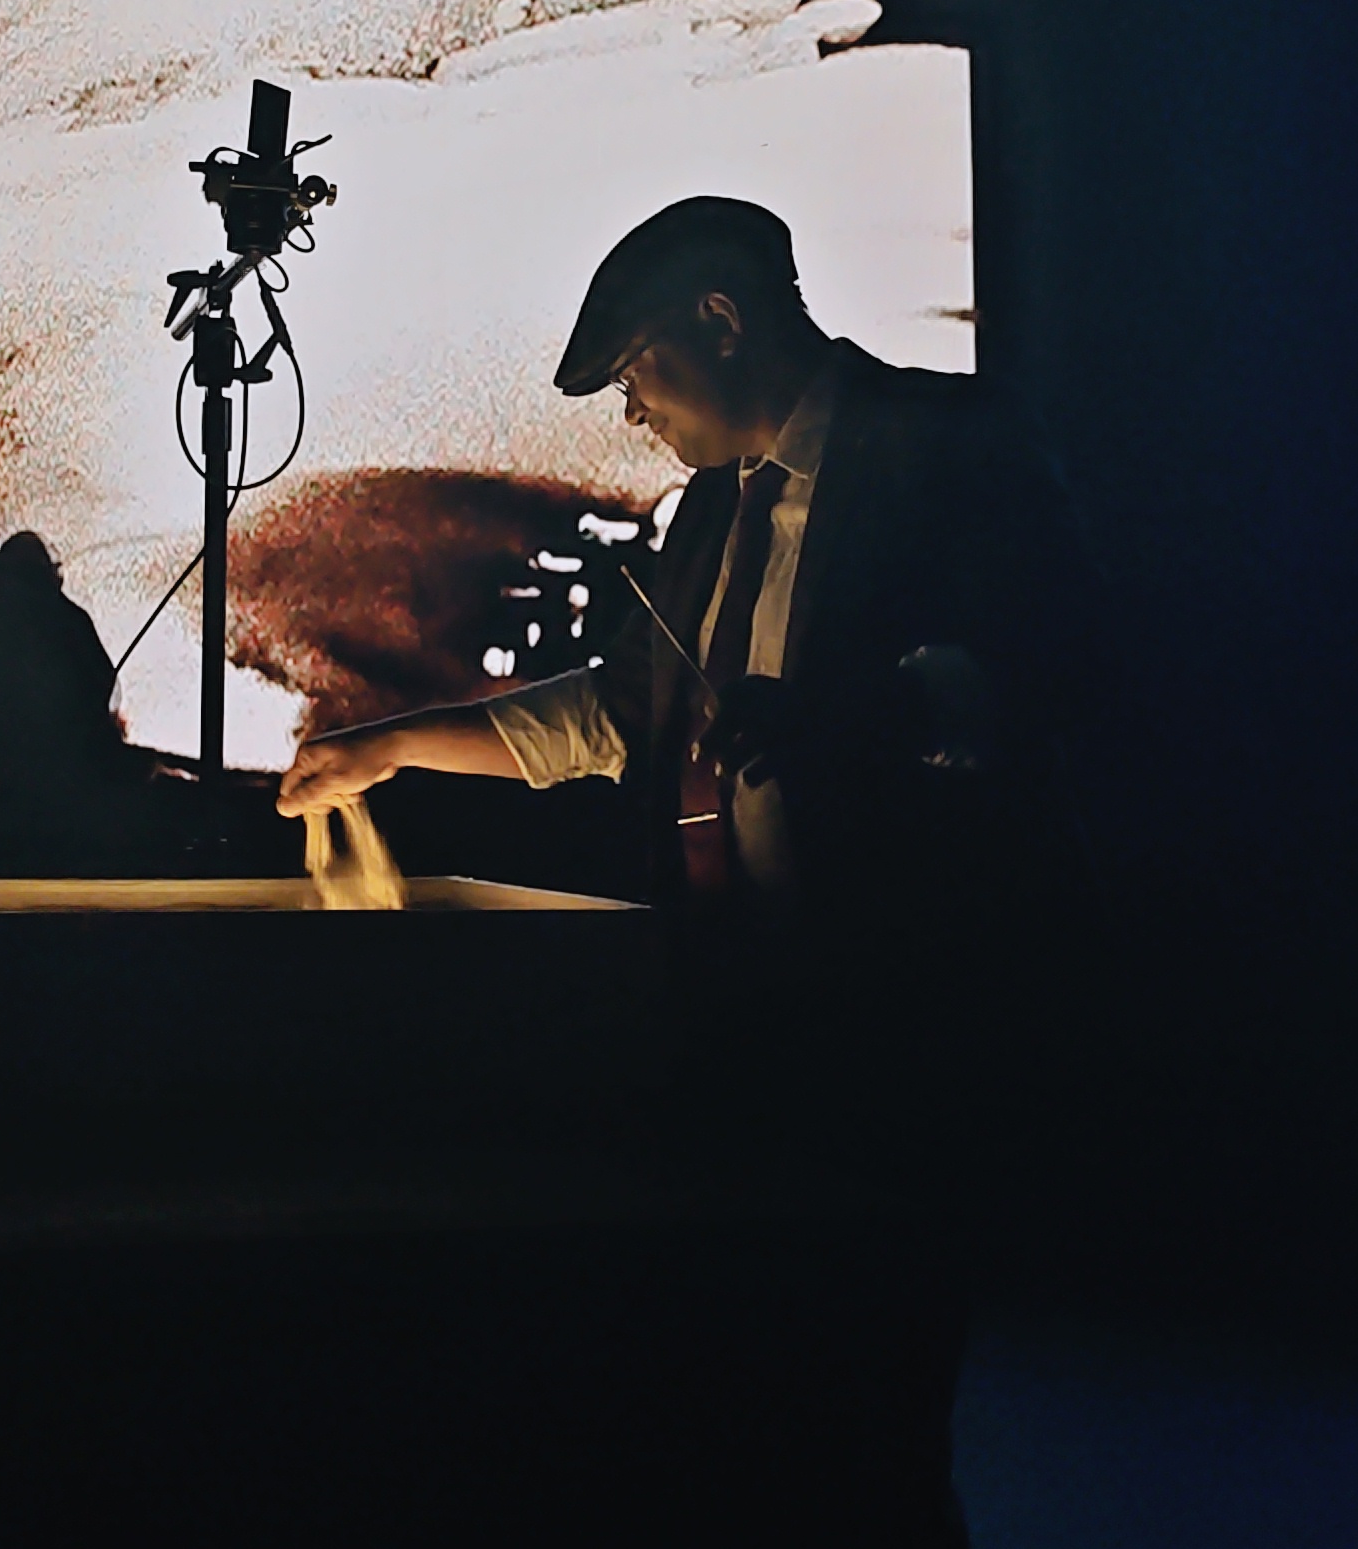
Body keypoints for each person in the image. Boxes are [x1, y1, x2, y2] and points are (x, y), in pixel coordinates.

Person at [276, 192, 1084, 1147]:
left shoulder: (949, 439)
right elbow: (624, 711)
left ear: (722, 321)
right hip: (738, 1011)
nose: (632, 414)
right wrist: (393, 747)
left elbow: (1055, 672)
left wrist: (861, 716)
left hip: (919, 1016)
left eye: (633, 374)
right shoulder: (708, 509)